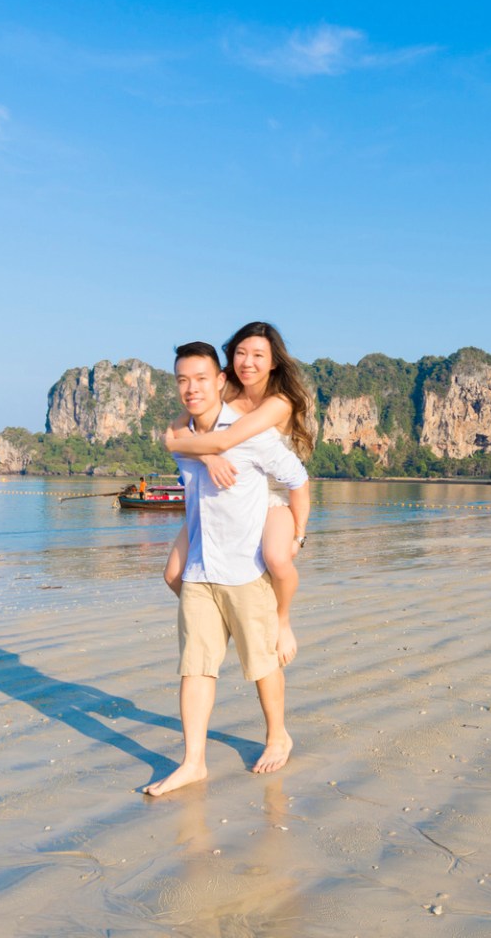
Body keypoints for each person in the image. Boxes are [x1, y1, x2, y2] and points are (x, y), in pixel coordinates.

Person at [147, 341, 311, 797]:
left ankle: (278, 734)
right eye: (182, 380)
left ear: (221, 381)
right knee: (195, 667)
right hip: (200, 568)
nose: (191, 389)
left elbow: (298, 480)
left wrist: (297, 535)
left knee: (262, 663)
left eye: (201, 379)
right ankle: (193, 762)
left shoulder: (251, 433)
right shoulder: (184, 442)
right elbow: (183, 444)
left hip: (246, 569)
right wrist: (203, 453)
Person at [162, 322, 314, 667]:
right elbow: (174, 432)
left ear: (274, 361)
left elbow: (223, 441)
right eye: (241, 353)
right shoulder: (224, 387)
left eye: (258, 355)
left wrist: (300, 535)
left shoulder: (279, 402)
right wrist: (205, 456)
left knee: (278, 559)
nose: (248, 362)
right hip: (224, 491)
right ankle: (214, 621)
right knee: (173, 574)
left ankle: (281, 620)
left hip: (270, 491)